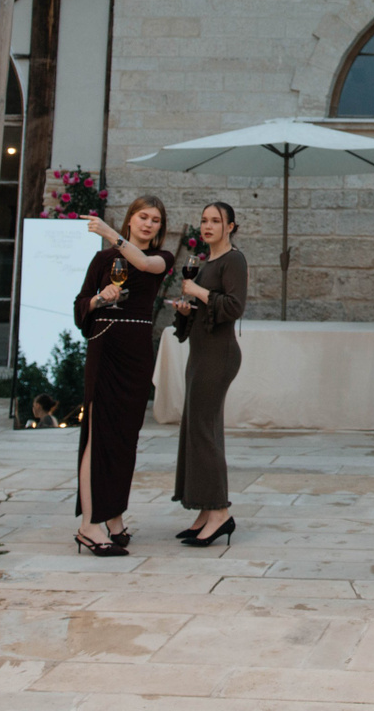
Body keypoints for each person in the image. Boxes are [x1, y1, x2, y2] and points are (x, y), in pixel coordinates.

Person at [72, 196, 175, 557]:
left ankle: (114, 516)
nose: (148, 224)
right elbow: (80, 305)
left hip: (136, 353)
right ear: (131, 219)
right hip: (106, 347)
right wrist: (100, 299)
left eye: (155, 220)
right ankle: (89, 525)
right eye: (143, 216)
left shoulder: (163, 258)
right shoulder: (102, 260)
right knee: (98, 433)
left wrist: (109, 233)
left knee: (125, 438)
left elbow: (143, 263)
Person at [171, 201, 247, 545]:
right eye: (204, 220)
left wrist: (197, 292)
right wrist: (187, 309)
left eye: (216, 220)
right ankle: (204, 509)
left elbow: (233, 306)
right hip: (200, 354)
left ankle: (220, 513)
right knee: (197, 429)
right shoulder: (206, 263)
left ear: (230, 227)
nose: (208, 226)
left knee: (204, 432)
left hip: (219, 356)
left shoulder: (234, 260)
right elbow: (204, 311)